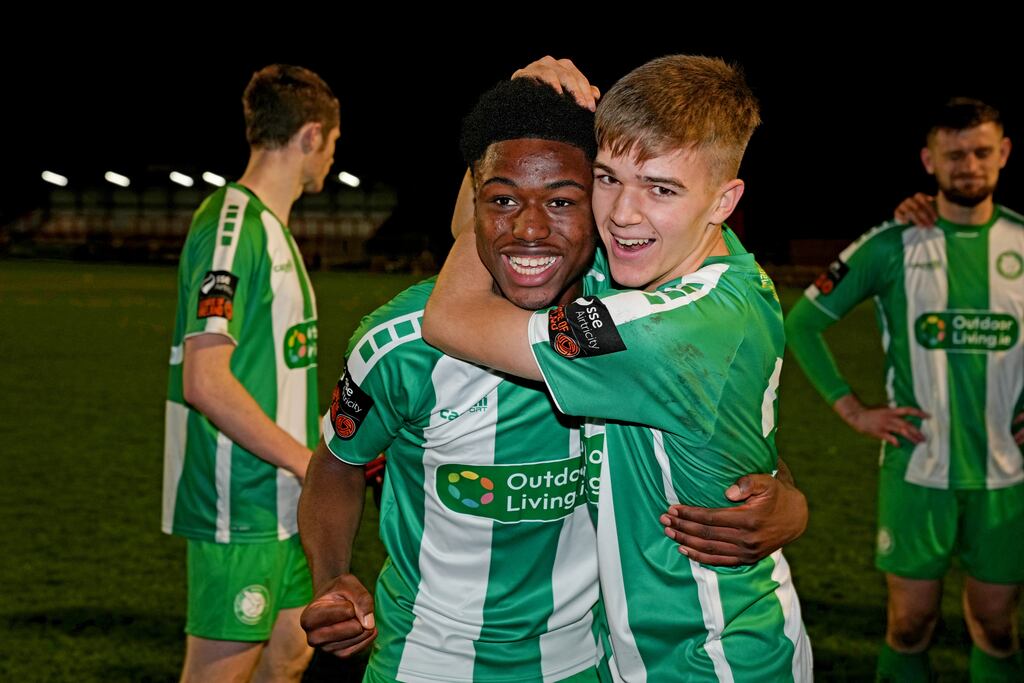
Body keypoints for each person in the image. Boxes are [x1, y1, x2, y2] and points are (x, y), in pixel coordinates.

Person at [299, 76, 808, 683]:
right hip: (428, 662)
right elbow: (336, 460)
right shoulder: (399, 345)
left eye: (564, 200)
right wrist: (331, 577)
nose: (532, 229)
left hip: (599, 664)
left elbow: (457, 317)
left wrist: (791, 504)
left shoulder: (630, 318)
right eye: (503, 201)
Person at [786, 97, 1023, 682]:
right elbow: (803, 323)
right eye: (954, 154)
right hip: (918, 469)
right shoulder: (892, 243)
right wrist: (852, 408)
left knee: (996, 628)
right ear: (929, 160)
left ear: (1003, 154)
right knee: (909, 626)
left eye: (981, 151)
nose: (969, 165)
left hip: (1008, 474)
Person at [162, 64, 339, 682]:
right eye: (335, 141)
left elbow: (274, 369)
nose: (332, 155)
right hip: (239, 502)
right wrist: (304, 458)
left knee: (288, 658)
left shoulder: (274, 231)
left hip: (285, 499)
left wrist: (326, 444)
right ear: (312, 136)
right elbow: (205, 381)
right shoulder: (232, 226)